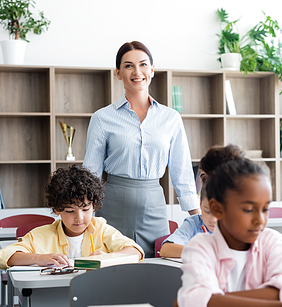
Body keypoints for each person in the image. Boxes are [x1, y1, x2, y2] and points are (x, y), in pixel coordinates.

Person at [176, 145, 282, 307]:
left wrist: (216, 301)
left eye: (265, 209)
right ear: (217, 209)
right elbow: (198, 303)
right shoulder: (200, 247)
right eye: (249, 210)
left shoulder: (272, 242)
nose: (260, 220)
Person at [83, 41, 199, 258]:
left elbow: (181, 170)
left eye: (143, 64)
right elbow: (91, 172)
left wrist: (198, 219)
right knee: (113, 269)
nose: (137, 72)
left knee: (157, 271)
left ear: (152, 70)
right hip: (113, 203)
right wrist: (81, 213)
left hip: (154, 204)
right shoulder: (102, 118)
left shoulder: (171, 118)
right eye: (128, 66)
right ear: (118, 73)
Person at [0, 165, 144, 270]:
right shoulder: (42, 235)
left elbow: (136, 252)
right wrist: (39, 258)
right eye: (70, 211)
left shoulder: (101, 230)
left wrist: (108, 257)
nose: (79, 218)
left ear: (94, 206)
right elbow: (2, 257)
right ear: (57, 209)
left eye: (85, 209)